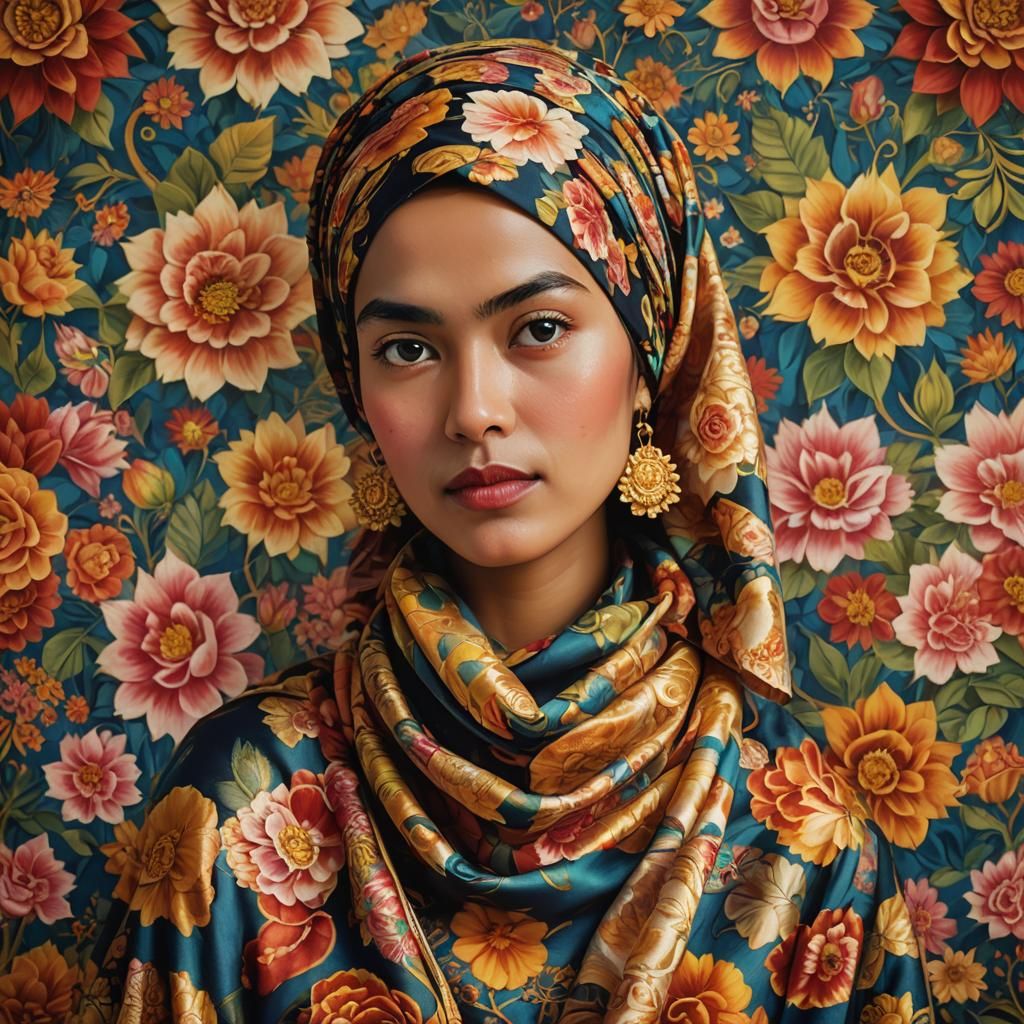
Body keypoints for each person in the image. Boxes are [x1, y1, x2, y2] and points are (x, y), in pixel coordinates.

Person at [86, 37, 934, 1024]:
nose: (474, 410)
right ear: (359, 392)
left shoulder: (792, 817)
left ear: (647, 352)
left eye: (536, 328)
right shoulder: (239, 797)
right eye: (407, 347)